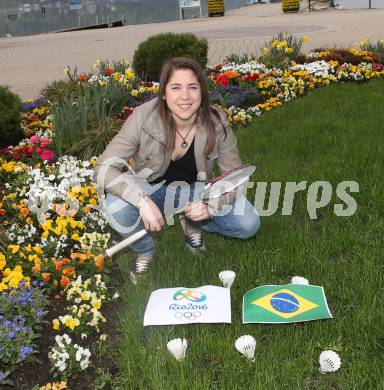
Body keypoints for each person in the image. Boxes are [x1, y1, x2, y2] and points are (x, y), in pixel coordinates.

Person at [94, 57, 260, 283]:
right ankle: (145, 250)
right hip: (150, 191)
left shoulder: (216, 121)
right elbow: (104, 167)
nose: (185, 96)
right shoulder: (143, 118)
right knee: (116, 209)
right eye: (176, 87)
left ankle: (192, 223)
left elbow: (235, 178)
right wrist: (141, 201)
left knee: (248, 223)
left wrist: (210, 206)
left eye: (193, 87)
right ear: (163, 93)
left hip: (196, 192)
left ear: (202, 92)